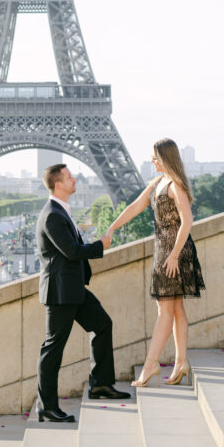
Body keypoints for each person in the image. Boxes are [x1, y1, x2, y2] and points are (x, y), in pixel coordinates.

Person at [35, 163, 131, 422]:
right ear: (58, 183)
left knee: (102, 325)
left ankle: (100, 384)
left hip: (73, 288)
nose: (74, 179)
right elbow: (72, 252)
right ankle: (47, 406)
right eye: (69, 177)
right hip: (61, 293)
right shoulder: (53, 215)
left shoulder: (60, 211)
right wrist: (101, 245)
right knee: (53, 348)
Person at [106, 138, 205, 387]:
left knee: (165, 310)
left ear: (164, 158)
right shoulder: (158, 183)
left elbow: (188, 221)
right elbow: (134, 207)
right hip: (166, 250)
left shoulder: (174, 185)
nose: (151, 161)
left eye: (154, 156)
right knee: (176, 309)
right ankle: (181, 362)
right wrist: (111, 228)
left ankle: (152, 364)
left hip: (173, 253)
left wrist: (173, 256)